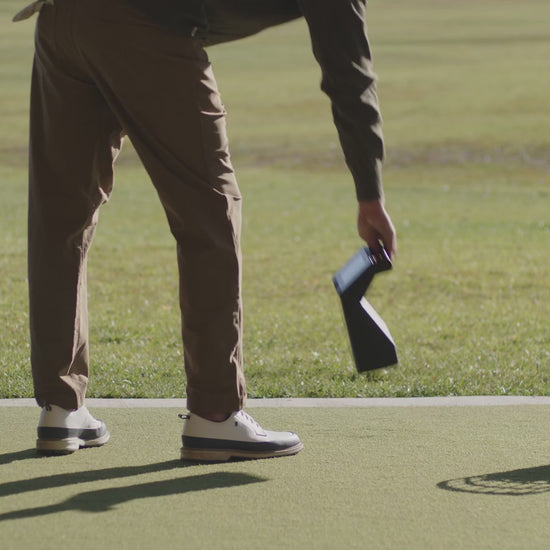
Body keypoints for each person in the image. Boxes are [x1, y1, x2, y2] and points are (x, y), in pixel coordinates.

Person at [15, 0, 396, 460]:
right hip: (143, 22)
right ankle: (216, 415)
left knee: (61, 217)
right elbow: (348, 70)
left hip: (61, 18)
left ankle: (61, 407)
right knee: (211, 214)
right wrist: (370, 195)